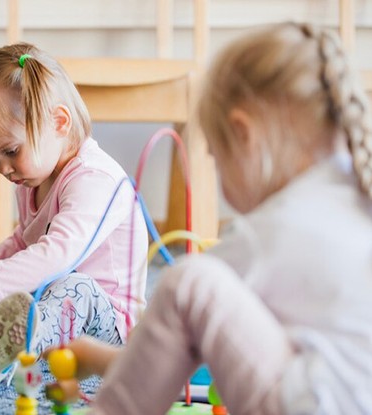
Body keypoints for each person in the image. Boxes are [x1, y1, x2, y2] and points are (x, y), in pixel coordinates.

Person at [46, 22, 372, 414]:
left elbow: (169, 336)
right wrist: (100, 359)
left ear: (243, 135)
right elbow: (168, 357)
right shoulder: (356, 198)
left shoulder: (269, 232)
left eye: (215, 158)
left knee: (188, 282)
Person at [0, 42, 148, 397]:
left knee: (76, 287)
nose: (3, 168)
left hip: (108, 324)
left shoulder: (96, 178)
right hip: (49, 299)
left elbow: (57, 255)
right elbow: (20, 246)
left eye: (10, 151)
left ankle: (14, 348)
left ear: (59, 122)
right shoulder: (33, 179)